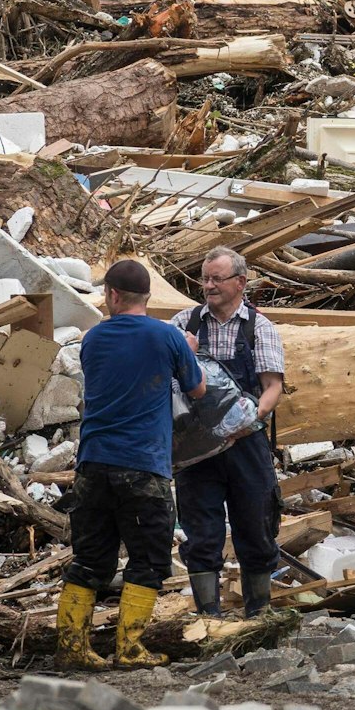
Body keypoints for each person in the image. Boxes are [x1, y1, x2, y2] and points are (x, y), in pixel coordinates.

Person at [58, 259, 204, 670]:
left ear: (113, 295)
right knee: (149, 559)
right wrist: (187, 352)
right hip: (144, 467)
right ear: (146, 296)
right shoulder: (169, 337)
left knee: (90, 559)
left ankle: (72, 649)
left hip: (93, 464)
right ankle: (130, 648)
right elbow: (198, 389)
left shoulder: (93, 338)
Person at [172, 246, 286, 617]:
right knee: (201, 531)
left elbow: (273, 387)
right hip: (195, 449)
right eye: (205, 279)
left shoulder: (259, 328)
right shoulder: (184, 324)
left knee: (256, 524)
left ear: (241, 282)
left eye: (217, 279)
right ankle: (209, 617)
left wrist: (251, 419)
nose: (208, 286)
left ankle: (259, 615)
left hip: (245, 445)